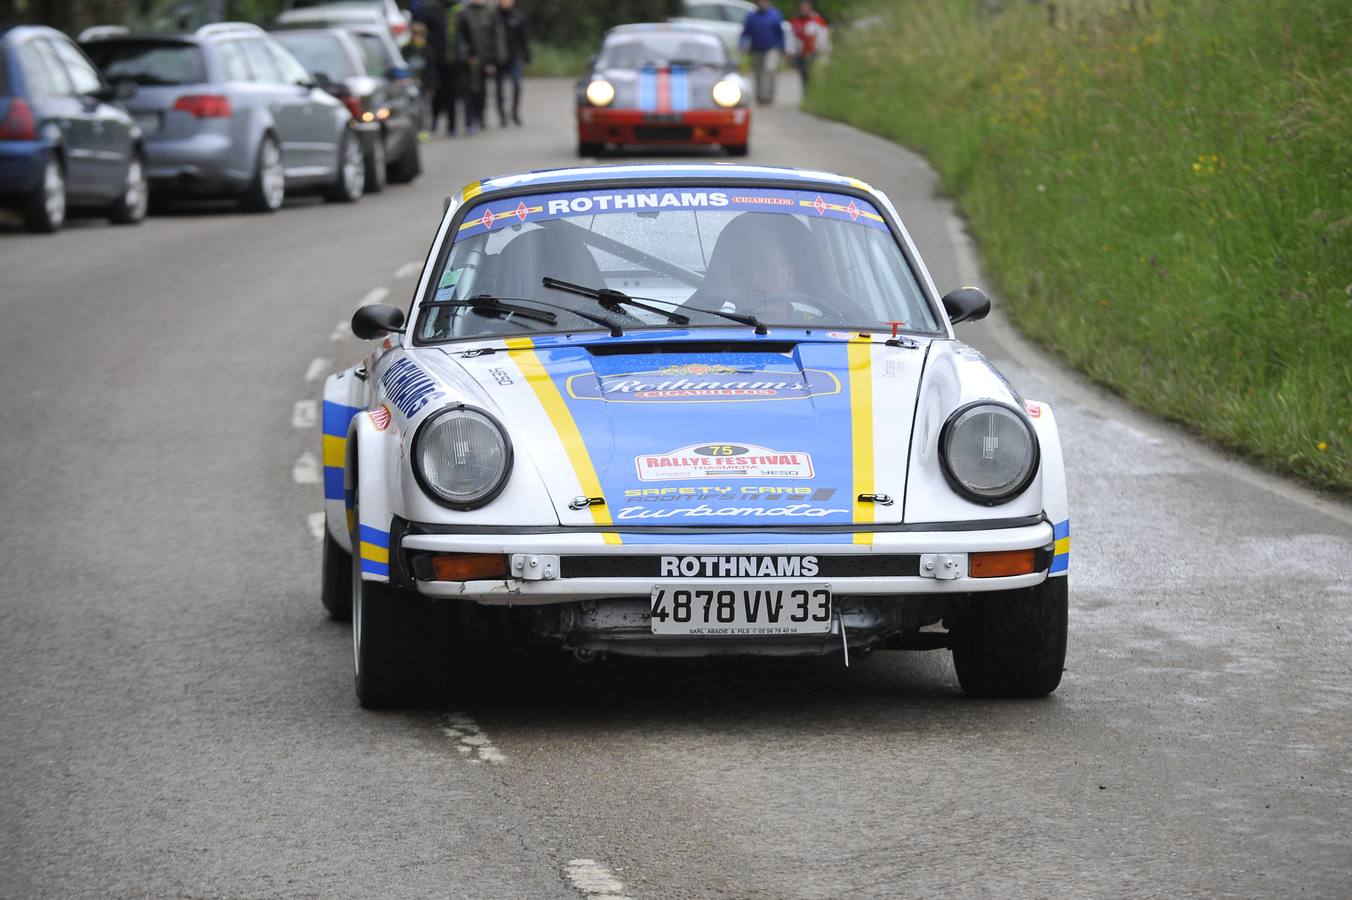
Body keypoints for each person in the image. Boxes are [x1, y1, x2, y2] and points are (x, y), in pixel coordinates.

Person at [457, 0, 507, 132]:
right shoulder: (463, 12)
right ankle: (469, 118)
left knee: (482, 90)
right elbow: (459, 37)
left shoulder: (491, 12)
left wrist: (495, 59)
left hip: (485, 58)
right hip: (467, 59)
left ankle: (481, 116)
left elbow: (497, 36)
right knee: (467, 90)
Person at [740, 0, 785, 106]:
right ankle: (759, 96)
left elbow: (780, 33)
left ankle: (768, 96)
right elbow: (745, 33)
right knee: (758, 73)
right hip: (756, 49)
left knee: (768, 71)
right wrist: (742, 45)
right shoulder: (752, 17)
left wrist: (783, 48)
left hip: (772, 49)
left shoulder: (775, 15)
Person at [496, 0, 531, 126]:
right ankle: (501, 115)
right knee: (499, 88)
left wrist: (527, 55)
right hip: (498, 57)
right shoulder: (495, 17)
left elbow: (524, 37)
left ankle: (515, 112)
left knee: (517, 85)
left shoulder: (518, 16)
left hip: (515, 57)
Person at [406, 21, 437, 139]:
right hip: (410, 84)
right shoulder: (406, 48)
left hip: (423, 84)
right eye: (415, 35)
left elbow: (431, 69)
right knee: (411, 110)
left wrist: (431, 86)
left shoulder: (427, 49)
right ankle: (412, 131)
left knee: (422, 108)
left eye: (419, 35)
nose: (417, 38)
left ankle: (422, 129)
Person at [788, 1, 828, 91]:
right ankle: (806, 94)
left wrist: (821, 49)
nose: (803, 9)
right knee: (803, 75)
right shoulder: (795, 20)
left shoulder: (816, 19)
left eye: (805, 6)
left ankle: (814, 95)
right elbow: (791, 37)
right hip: (800, 53)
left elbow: (823, 35)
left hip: (814, 53)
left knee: (813, 75)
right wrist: (791, 52)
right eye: (802, 7)